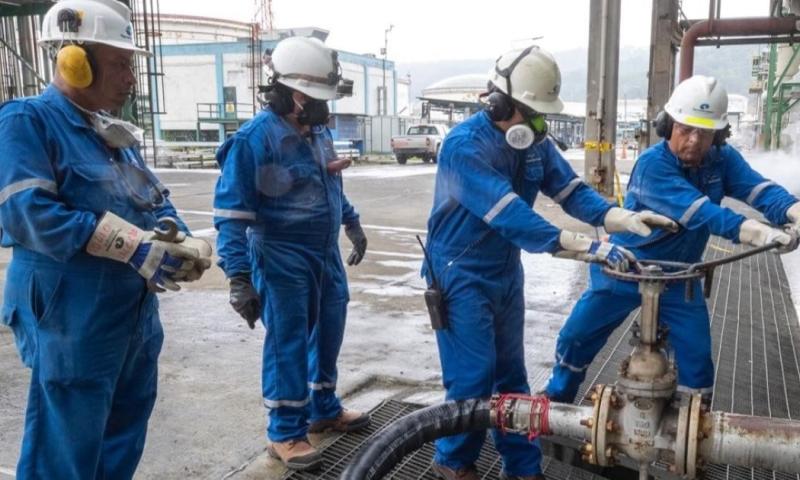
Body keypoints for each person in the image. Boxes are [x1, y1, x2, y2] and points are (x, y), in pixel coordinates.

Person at [422, 45, 677, 480]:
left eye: (542, 114)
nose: (538, 124)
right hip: (459, 273)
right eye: (529, 112)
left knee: (512, 377)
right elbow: (511, 216)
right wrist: (587, 247)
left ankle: (521, 466)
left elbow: (572, 191)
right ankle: (454, 462)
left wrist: (621, 217)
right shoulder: (463, 148)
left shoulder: (535, 143)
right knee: (471, 380)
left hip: (503, 272)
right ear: (500, 103)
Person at [0, 0, 213, 479]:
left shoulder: (116, 136)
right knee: (65, 451)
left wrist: (181, 239)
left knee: (121, 440)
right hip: (70, 315)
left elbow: (152, 201)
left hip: (131, 316)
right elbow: (24, 213)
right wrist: (133, 246)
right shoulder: (27, 121)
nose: (131, 79)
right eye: (121, 64)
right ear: (76, 61)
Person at [544, 75, 800, 406]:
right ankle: (554, 404)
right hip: (624, 270)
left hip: (679, 277)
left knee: (697, 360)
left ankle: (690, 430)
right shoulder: (652, 165)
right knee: (577, 337)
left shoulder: (722, 159)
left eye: (704, 132)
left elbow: (759, 190)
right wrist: (762, 233)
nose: (694, 140)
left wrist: (792, 208)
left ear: (718, 135)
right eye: (685, 129)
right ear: (668, 126)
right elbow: (704, 214)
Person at [213, 36, 370, 471]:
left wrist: (350, 222)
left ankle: (323, 407)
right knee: (287, 343)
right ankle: (285, 432)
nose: (326, 108)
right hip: (281, 254)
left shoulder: (317, 133)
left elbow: (329, 182)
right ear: (294, 96)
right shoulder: (253, 141)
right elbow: (231, 216)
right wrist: (239, 278)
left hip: (324, 253)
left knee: (329, 330)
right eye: (318, 99)